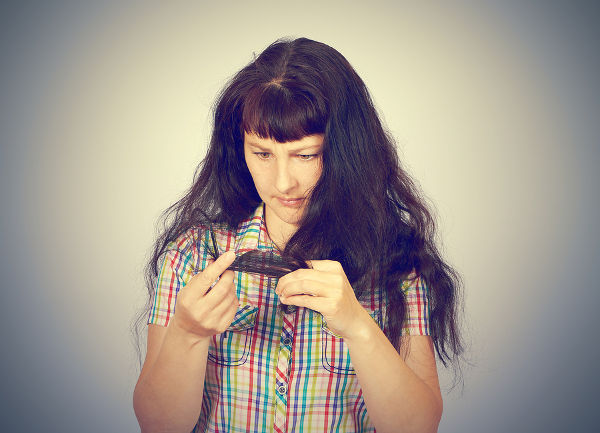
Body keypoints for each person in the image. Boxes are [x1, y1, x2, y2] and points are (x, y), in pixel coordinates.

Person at [133, 37, 463, 433]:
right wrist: (187, 334)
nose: (283, 182)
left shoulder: (397, 265)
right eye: (262, 154)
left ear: (346, 152)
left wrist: (357, 324)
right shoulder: (192, 256)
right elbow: (157, 425)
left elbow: (418, 428)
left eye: (306, 155)